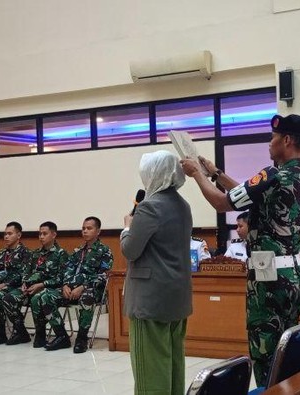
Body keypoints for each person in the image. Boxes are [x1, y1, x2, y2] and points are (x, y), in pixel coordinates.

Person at [181, 113, 300, 386]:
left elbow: (222, 203)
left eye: (273, 138)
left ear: (286, 140)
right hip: (293, 277)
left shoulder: (272, 174)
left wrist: (196, 173)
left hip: (268, 283)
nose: (269, 143)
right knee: (288, 351)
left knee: (266, 356)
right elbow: (243, 195)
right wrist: (215, 173)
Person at [121, 150, 193, 395]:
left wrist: (126, 229)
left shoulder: (150, 206)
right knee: (172, 361)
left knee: (149, 370)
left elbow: (130, 250)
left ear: (153, 173)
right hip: (176, 295)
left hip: (149, 299)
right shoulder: (182, 205)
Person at [42, 216, 113, 353]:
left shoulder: (104, 251)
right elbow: (67, 270)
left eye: (89, 228)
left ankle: (81, 338)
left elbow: (103, 276)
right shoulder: (77, 251)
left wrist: (83, 287)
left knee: (87, 297)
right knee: (46, 296)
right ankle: (62, 336)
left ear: (98, 231)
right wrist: (65, 285)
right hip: (71, 289)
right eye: (83, 228)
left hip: (92, 290)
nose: (85, 231)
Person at [2, 221, 68, 348]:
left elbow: (61, 278)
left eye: (45, 233)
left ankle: (41, 334)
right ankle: (21, 332)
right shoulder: (35, 253)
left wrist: (42, 285)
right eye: (40, 234)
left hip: (49, 288)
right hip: (31, 288)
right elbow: (26, 271)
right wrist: (25, 283)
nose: (41, 237)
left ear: (53, 235)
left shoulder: (61, 254)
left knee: (38, 298)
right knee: (8, 298)